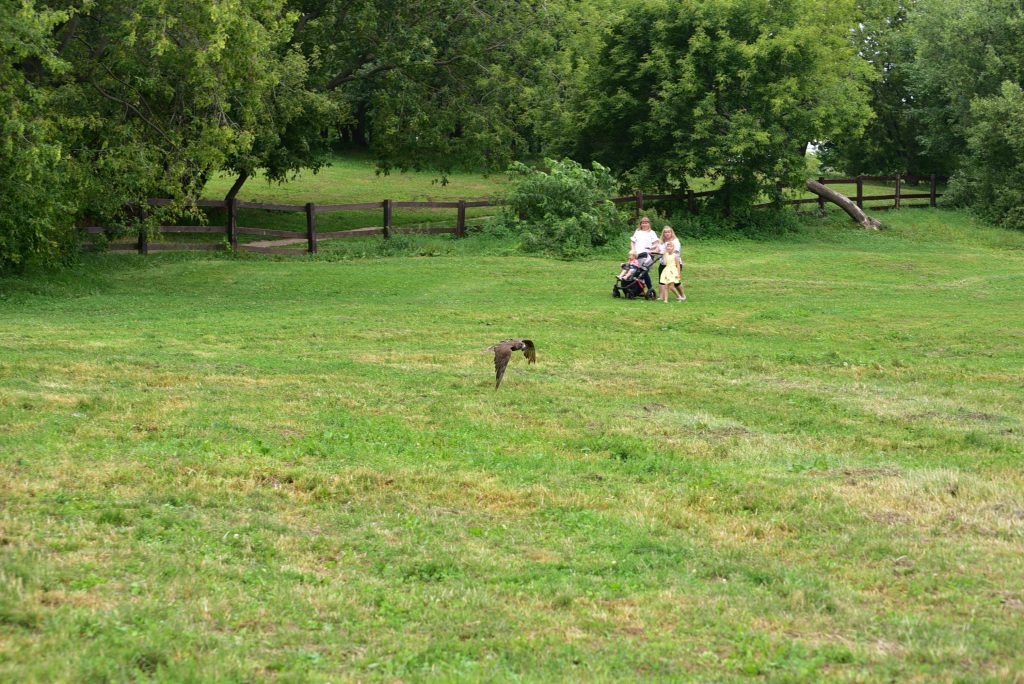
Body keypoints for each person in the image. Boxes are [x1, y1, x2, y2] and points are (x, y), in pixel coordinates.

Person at [629, 216, 659, 294]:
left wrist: (652, 248)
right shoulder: (637, 231)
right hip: (637, 255)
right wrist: (633, 249)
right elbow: (632, 241)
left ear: (649, 224)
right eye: (643, 223)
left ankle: (650, 289)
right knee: (636, 272)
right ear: (641, 224)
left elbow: (656, 243)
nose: (644, 224)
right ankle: (640, 290)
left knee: (644, 271)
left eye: (646, 223)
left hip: (647, 255)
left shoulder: (652, 232)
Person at [657, 225, 686, 301]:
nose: (667, 234)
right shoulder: (661, 242)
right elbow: (659, 251)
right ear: (663, 233)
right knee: (662, 280)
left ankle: (682, 295)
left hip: (674, 264)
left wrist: (665, 252)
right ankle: (662, 296)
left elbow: (675, 252)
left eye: (669, 232)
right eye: (665, 232)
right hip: (663, 263)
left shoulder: (675, 241)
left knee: (675, 281)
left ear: (671, 233)